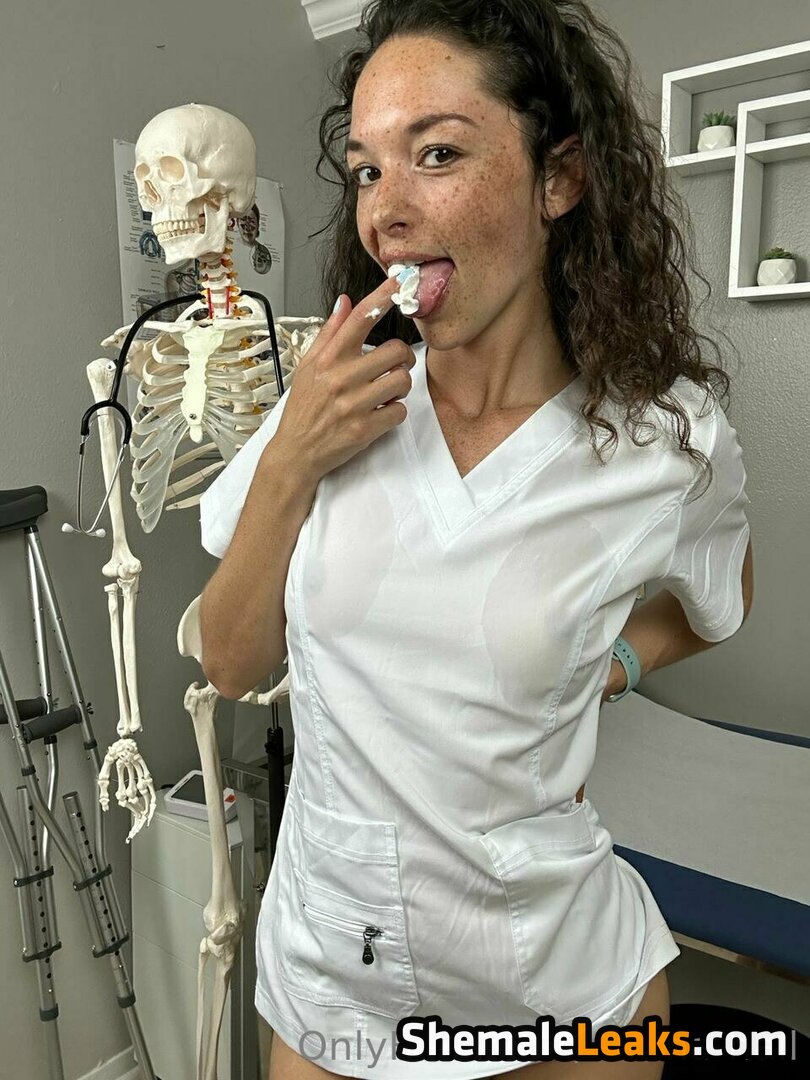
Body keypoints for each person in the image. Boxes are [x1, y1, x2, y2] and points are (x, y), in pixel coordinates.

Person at [198, 1, 753, 1077]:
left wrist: (611, 663)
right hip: (336, 985)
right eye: (367, 171)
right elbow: (231, 661)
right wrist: (292, 460)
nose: (386, 212)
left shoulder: (665, 441)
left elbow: (722, 597)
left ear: (561, 178)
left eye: (438, 154)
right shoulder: (329, 403)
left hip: (561, 992)